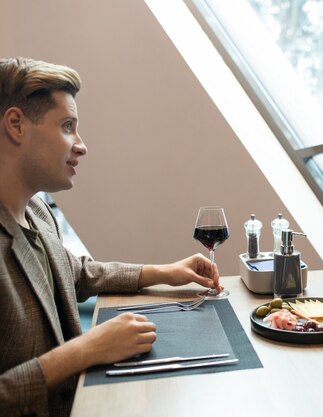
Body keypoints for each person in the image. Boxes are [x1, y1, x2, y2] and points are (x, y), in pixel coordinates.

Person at [0, 57, 223, 417]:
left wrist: (163, 272)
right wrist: (85, 349)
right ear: (16, 125)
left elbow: (75, 273)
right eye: (67, 126)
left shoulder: (37, 212)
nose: (81, 145)